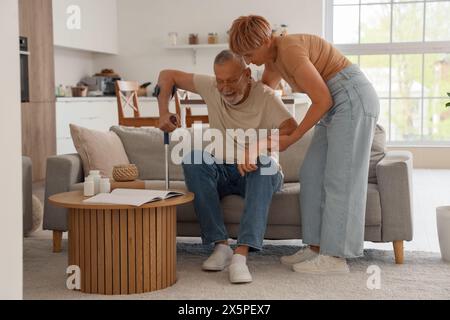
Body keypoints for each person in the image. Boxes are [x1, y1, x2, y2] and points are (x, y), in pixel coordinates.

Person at [229, 15, 380, 274]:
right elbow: (265, 89)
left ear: (266, 41)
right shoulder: (273, 58)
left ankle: (335, 258)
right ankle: (316, 247)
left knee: (340, 178)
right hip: (335, 102)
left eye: (249, 53)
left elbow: (322, 99)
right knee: (311, 173)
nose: (248, 60)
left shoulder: (289, 50)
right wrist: (236, 87)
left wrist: (293, 136)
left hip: (350, 97)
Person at [157, 50, 297, 283]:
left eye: (231, 80)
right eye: (220, 81)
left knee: (264, 164)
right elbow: (167, 74)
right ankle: (221, 246)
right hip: (222, 168)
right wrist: (163, 111)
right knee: (193, 158)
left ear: (247, 74)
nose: (225, 88)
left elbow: (292, 130)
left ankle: (240, 255)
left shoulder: (266, 97)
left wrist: (258, 146)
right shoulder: (212, 86)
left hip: (258, 170)